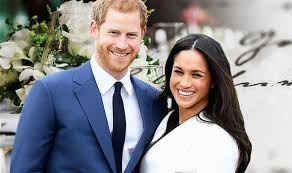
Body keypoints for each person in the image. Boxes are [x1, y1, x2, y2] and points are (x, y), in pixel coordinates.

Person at [11, 0, 166, 173]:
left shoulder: (154, 100)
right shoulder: (50, 92)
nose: (122, 44)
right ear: (94, 29)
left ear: (142, 33)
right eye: (114, 33)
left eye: (131, 35)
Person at [140, 34, 252, 173]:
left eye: (196, 75)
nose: (185, 83)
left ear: (213, 81)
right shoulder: (167, 118)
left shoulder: (218, 140)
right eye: (179, 72)